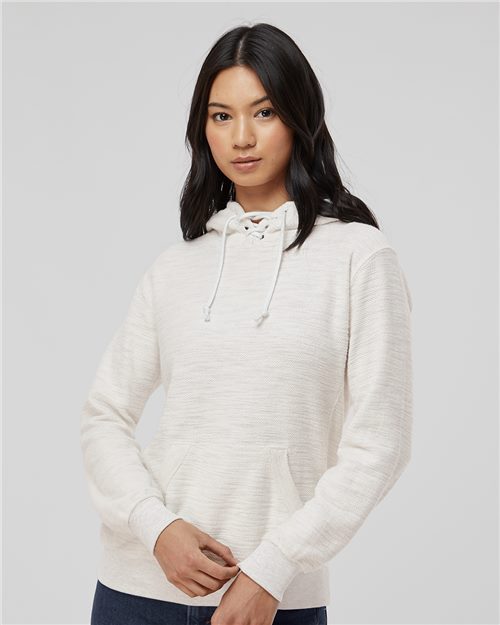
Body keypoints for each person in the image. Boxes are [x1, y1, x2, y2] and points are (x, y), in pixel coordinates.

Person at [81, 22, 413, 625]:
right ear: (202, 128)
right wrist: (155, 527)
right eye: (221, 116)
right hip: (136, 589)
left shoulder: (359, 258)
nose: (241, 137)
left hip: (271, 600)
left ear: (299, 118)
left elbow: (380, 444)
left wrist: (274, 567)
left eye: (263, 112)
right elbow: (104, 415)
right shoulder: (175, 268)